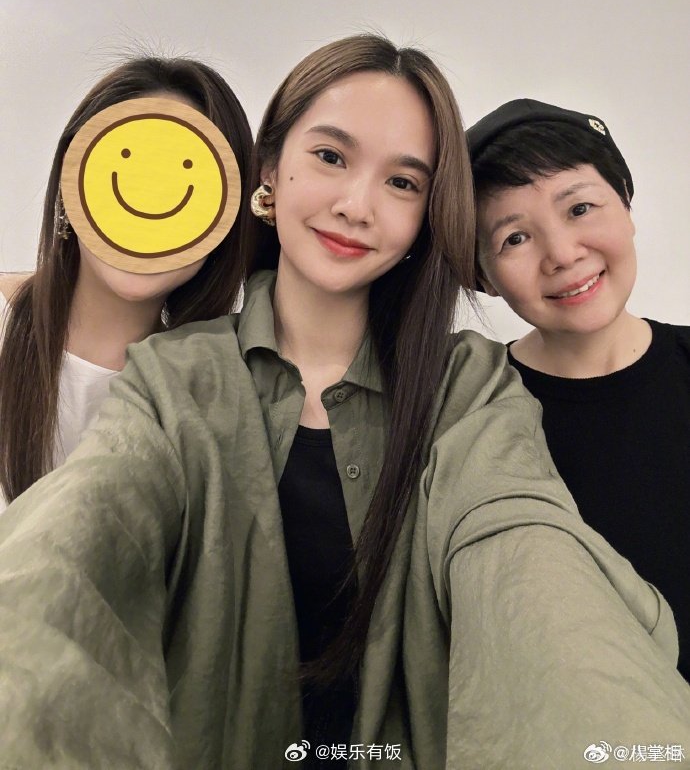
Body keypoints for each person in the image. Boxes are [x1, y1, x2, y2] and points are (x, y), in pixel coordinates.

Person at [1, 39, 689, 770]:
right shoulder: (174, 375)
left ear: (428, 215)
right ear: (269, 170)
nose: (356, 206)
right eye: (331, 156)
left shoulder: (469, 386)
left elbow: (526, 552)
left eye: (402, 182)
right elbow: (81, 533)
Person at [469, 98, 690, 682]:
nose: (563, 255)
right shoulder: (472, 415)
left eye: (581, 208)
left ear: (627, 203)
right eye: (515, 238)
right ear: (482, 276)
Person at [0, 56, 252, 510]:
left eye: (185, 182)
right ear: (71, 184)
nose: (149, 211)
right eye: (132, 167)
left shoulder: (213, 399)